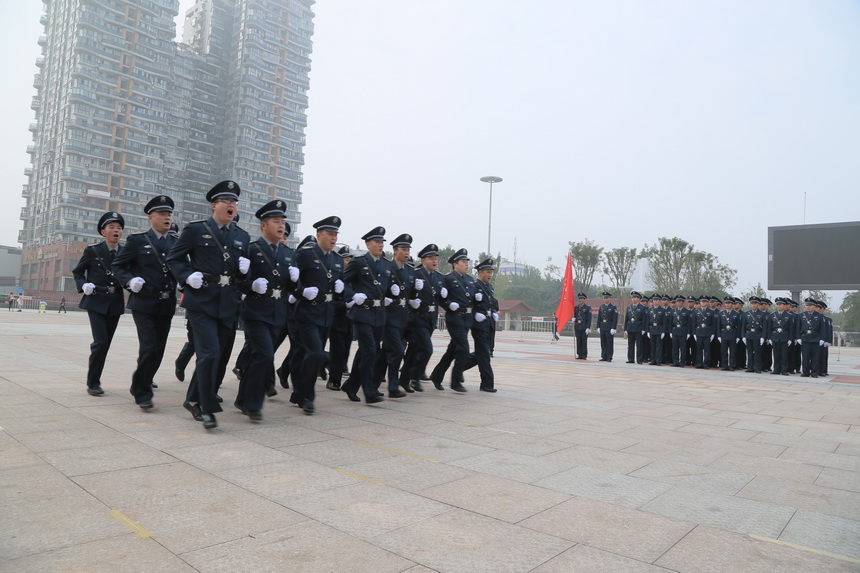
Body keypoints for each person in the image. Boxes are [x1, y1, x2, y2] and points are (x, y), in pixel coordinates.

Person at [167, 180, 251, 429]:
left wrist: (246, 274)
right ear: (214, 205)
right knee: (209, 353)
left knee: (220, 356)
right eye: (227, 201)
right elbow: (174, 258)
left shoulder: (242, 236)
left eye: (234, 202)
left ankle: (193, 398)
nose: (231, 206)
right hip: (201, 301)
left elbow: (240, 274)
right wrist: (185, 276)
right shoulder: (196, 230)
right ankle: (205, 407)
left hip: (228, 304)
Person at [233, 200, 299, 421]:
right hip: (255, 311)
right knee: (263, 355)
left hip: (277, 311)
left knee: (257, 356)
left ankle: (242, 399)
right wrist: (249, 283)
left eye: (282, 222)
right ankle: (253, 404)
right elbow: (237, 282)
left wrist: (296, 283)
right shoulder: (251, 249)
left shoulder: (289, 254)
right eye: (275, 222)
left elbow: (291, 288)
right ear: (263, 225)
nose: (281, 226)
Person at [112, 195, 178, 409]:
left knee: (158, 349)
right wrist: (129, 281)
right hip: (144, 303)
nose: (167, 217)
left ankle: (141, 381)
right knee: (149, 347)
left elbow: (181, 268)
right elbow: (118, 266)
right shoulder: (137, 241)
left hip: (166, 304)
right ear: (150, 217)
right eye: (162, 214)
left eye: (169, 214)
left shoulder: (176, 243)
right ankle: (142, 391)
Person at [291, 217, 345, 413]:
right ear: (319, 235)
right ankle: (307, 396)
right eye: (330, 234)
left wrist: (342, 289)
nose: (333, 238)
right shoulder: (305, 255)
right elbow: (293, 280)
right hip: (307, 313)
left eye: (335, 235)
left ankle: (297, 392)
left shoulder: (337, 259)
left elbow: (339, 287)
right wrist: (301, 291)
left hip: (326, 314)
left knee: (307, 355)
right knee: (314, 353)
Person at [72, 212, 126, 396]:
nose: (116, 230)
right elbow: (78, 272)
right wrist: (83, 284)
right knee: (100, 343)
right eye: (111, 227)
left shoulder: (125, 252)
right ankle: (93, 382)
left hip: (116, 302)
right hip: (96, 301)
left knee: (106, 344)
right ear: (103, 232)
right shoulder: (93, 251)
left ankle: (95, 379)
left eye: (119, 227)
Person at [341, 226, 390, 404]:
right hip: (362, 313)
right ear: (368, 244)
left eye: (382, 242)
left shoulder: (386, 264)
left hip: (379, 313)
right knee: (369, 351)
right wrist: (353, 295)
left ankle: (351, 385)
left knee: (368, 352)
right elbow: (343, 283)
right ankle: (369, 391)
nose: (380, 245)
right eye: (377, 242)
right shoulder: (358, 262)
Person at [375, 233, 417, 398]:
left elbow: (411, 293)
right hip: (389, 316)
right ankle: (393, 387)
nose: (406, 252)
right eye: (403, 249)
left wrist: (416, 294)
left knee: (386, 353)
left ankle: (372, 383)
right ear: (395, 250)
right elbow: (376, 286)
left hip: (404, 317)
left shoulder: (410, 270)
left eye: (408, 249)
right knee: (398, 351)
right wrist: (384, 297)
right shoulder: (386, 267)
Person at [430, 248, 475, 392]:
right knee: (463, 349)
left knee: (452, 350)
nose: (466, 264)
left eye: (467, 262)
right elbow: (440, 298)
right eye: (463, 262)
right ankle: (456, 381)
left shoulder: (470, 280)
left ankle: (436, 375)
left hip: (467, 318)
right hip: (454, 318)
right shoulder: (448, 279)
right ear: (455, 265)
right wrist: (449, 304)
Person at [402, 244, 445, 391]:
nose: (434, 261)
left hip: (431, 317)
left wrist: (446, 298)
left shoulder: (439, 277)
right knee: (427, 349)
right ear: (423, 260)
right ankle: (415, 375)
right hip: (417, 317)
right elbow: (404, 292)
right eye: (431, 258)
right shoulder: (416, 274)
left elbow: (441, 298)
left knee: (414, 350)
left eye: (436, 259)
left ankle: (405, 379)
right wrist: (411, 299)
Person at [464, 258, 499, 392]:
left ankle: (459, 366)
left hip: (489, 323)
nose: (490, 275)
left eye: (491, 272)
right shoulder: (474, 286)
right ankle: (487, 384)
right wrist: (474, 314)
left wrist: (494, 312)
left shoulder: (489, 287)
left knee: (485, 351)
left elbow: (492, 304)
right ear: (480, 272)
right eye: (487, 272)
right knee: (484, 354)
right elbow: (468, 305)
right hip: (479, 324)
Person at [326, 245, 354, 391]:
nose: (348, 261)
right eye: (346, 258)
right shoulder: (335, 277)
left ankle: (338, 368)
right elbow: (330, 300)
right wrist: (345, 305)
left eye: (350, 258)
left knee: (346, 349)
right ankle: (333, 380)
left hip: (350, 319)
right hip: (336, 317)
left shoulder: (351, 278)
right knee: (337, 350)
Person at [797, 298, 823, 378]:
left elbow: (822, 329)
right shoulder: (801, 315)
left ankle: (814, 372)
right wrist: (798, 337)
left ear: (814, 306)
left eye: (810, 305)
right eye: (807, 305)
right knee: (805, 356)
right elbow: (798, 327)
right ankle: (805, 372)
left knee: (815, 357)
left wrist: (822, 338)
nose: (808, 307)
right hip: (805, 338)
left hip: (815, 338)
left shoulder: (819, 316)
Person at [768, 297, 794, 376]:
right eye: (777, 304)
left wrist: (790, 339)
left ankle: (784, 370)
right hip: (775, 336)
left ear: (784, 305)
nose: (779, 306)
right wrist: (769, 338)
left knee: (784, 355)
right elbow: (769, 327)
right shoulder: (772, 315)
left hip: (784, 336)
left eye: (781, 304)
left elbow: (791, 329)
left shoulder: (789, 316)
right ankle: (776, 369)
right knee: (776, 354)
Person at [716, 296, 740, 371]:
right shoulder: (721, 313)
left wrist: (738, 336)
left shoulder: (736, 314)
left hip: (733, 333)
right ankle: (725, 365)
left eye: (729, 303)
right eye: (726, 303)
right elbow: (718, 326)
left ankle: (732, 365)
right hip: (724, 333)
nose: (727, 305)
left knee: (733, 351)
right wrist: (719, 335)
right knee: (723, 351)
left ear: (732, 304)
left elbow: (739, 326)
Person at [692, 295, 716, 369]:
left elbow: (713, 324)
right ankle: (699, 363)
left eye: (704, 301)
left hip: (707, 331)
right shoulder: (696, 311)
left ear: (707, 302)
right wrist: (694, 333)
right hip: (699, 331)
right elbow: (694, 324)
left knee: (707, 349)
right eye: (702, 301)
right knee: (699, 349)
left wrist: (713, 333)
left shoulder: (711, 312)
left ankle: (706, 363)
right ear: (700, 302)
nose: (703, 303)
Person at [624, 291, 646, 364]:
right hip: (630, 328)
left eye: (635, 298)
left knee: (639, 345)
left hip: (638, 328)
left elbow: (644, 319)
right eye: (632, 298)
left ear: (639, 299)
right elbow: (626, 319)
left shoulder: (642, 308)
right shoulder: (629, 308)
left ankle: (639, 359)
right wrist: (625, 329)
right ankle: (631, 359)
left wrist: (643, 329)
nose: (633, 299)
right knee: (630, 345)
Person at [647, 294, 669, 365]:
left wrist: (663, 331)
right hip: (652, 329)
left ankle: (658, 360)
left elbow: (664, 322)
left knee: (659, 346)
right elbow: (648, 321)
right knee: (652, 346)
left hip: (659, 329)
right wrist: (647, 331)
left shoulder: (662, 310)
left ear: (659, 301)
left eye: (657, 300)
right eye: (654, 300)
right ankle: (653, 360)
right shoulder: (650, 310)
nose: (655, 301)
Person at [669, 295, 690, 367]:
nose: (678, 303)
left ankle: (682, 362)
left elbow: (689, 323)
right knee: (675, 347)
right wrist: (670, 332)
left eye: (680, 301)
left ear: (683, 302)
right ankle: (675, 361)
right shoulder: (673, 311)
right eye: (677, 301)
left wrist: (688, 333)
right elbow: (670, 322)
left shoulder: (686, 311)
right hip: (675, 330)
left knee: (683, 348)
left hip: (683, 330)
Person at [597, 292, 618, 361]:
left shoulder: (613, 307)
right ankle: (604, 356)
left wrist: (613, 328)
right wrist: (598, 327)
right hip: (602, 326)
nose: (605, 299)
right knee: (603, 342)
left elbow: (615, 318)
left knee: (609, 343)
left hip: (609, 326)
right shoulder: (602, 307)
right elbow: (599, 317)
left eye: (606, 298)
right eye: (604, 298)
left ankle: (609, 356)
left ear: (609, 298)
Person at [573, 293, 592, 360]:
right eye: (579, 298)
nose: (580, 300)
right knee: (579, 341)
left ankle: (584, 355)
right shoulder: (576, 307)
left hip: (584, 326)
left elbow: (589, 318)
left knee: (584, 341)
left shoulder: (587, 308)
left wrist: (588, 327)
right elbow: (575, 315)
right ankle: (579, 354)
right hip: (578, 326)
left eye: (581, 298)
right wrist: (574, 318)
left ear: (584, 299)